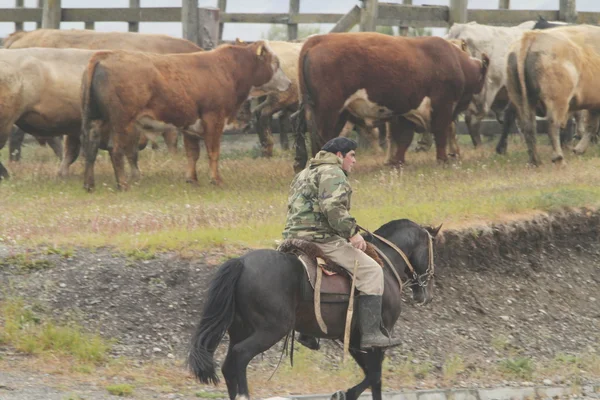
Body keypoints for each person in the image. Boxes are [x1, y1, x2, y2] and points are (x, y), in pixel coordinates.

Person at [282, 137, 401, 350]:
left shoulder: (304, 173)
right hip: (322, 239)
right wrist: (352, 233)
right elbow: (333, 208)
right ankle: (371, 333)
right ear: (339, 155)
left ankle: (307, 331)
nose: (354, 161)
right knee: (372, 271)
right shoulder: (333, 172)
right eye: (352, 155)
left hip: (293, 237)